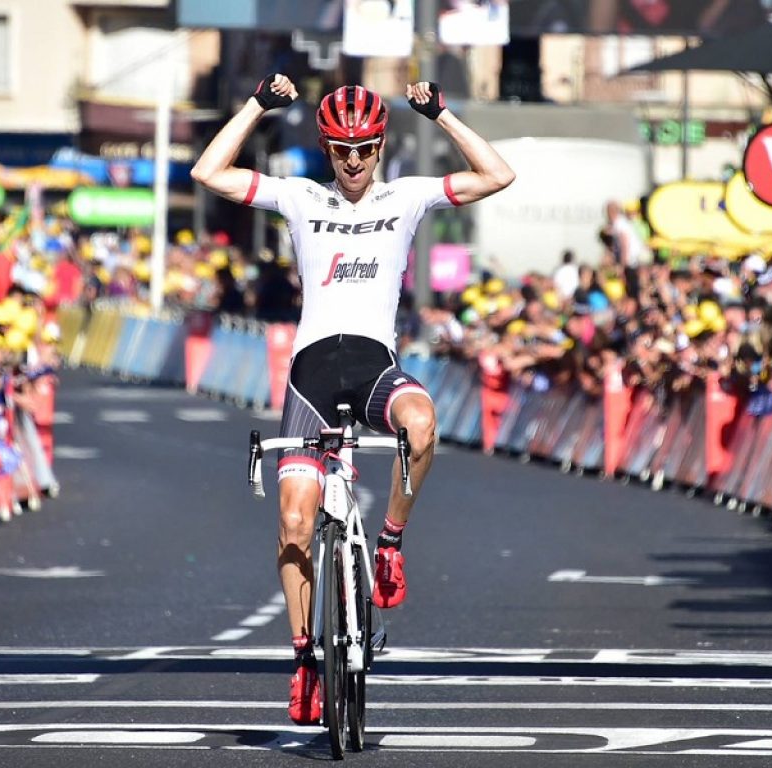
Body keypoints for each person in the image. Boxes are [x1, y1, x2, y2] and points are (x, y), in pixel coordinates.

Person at [191, 73, 514, 724]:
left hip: (372, 368)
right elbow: (207, 172)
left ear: (381, 143)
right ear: (325, 148)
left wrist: (442, 115)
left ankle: (389, 542)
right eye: (343, 149)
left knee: (421, 423)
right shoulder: (301, 197)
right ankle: (305, 656)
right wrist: (257, 105)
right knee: (293, 521)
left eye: (366, 147)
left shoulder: (408, 196)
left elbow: (498, 174)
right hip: (311, 375)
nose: (356, 160)